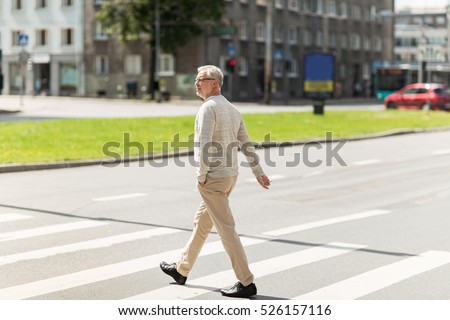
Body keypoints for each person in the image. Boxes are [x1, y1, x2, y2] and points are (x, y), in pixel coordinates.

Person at [160, 65, 271, 298]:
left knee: (226, 229)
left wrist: (201, 177)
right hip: (229, 177)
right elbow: (246, 144)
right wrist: (258, 171)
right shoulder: (232, 109)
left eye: (202, 79)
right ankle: (181, 269)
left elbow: (204, 145)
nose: (196, 83)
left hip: (213, 178)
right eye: (196, 79)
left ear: (215, 83)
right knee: (202, 222)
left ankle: (246, 282)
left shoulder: (208, 108)